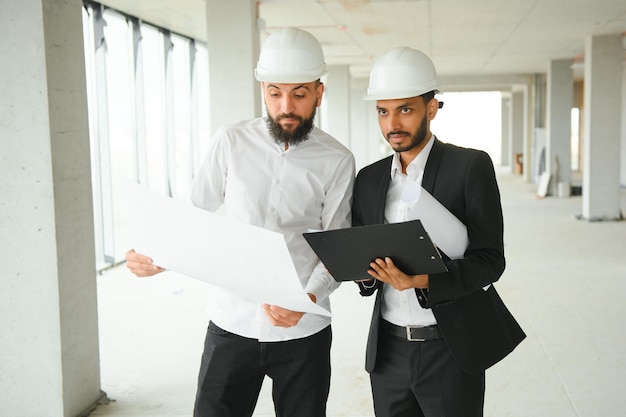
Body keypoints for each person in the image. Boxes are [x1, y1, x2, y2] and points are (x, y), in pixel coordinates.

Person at [126, 27, 355, 417]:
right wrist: (153, 253)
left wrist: (309, 298)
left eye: (299, 94)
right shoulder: (230, 141)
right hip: (231, 322)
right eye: (274, 93)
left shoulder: (337, 160)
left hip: (303, 331)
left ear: (318, 92)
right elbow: (193, 212)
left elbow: (337, 244)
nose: (286, 106)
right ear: (263, 89)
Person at [352, 47, 526, 417]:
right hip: (389, 353)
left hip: (448, 349)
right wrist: (363, 272)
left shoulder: (469, 167)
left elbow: (491, 261)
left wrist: (423, 280)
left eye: (405, 109)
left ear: (431, 108)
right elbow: (362, 262)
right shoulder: (368, 179)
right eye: (383, 111)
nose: (392, 124)